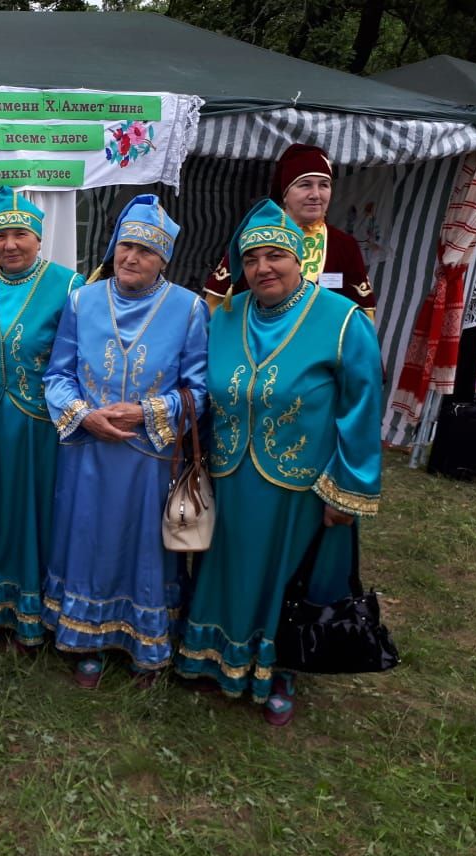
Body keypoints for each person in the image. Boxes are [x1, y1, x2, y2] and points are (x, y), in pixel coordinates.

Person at [175, 199, 383, 725]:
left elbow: (362, 406)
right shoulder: (224, 317)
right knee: (226, 568)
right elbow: (202, 389)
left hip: (299, 485)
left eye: (276, 256)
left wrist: (348, 486)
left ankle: (280, 669)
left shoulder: (341, 321)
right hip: (230, 475)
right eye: (252, 260)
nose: (263, 268)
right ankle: (212, 656)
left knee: (285, 579)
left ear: (298, 259)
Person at [41, 195, 208, 688]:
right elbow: (58, 374)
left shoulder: (190, 308)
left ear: (163, 260)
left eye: (144, 250)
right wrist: (84, 416)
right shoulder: (82, 301)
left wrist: (147, 411)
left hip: (149, 458)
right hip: (89, 453)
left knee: (143, 548)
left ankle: (145, 643)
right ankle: (86, 640)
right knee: (89, 539)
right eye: (124, 246)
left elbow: (200, 392)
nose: (131, 257)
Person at [0, 186, 85, 649]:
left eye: (20, 234)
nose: (9, 244)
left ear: (38, 236)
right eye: (0, 236)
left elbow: (76, 359)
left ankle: (36, 609)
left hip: (40, 426)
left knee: (37, 512)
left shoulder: (70, 285)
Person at [204, 143, 375, 320]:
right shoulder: (257, 236)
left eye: (324, 185)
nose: (316, 194)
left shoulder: (344, 245)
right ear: (285, 193)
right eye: (305, 185)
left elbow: (363, 313)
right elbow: (216, 302)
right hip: (258, 341)